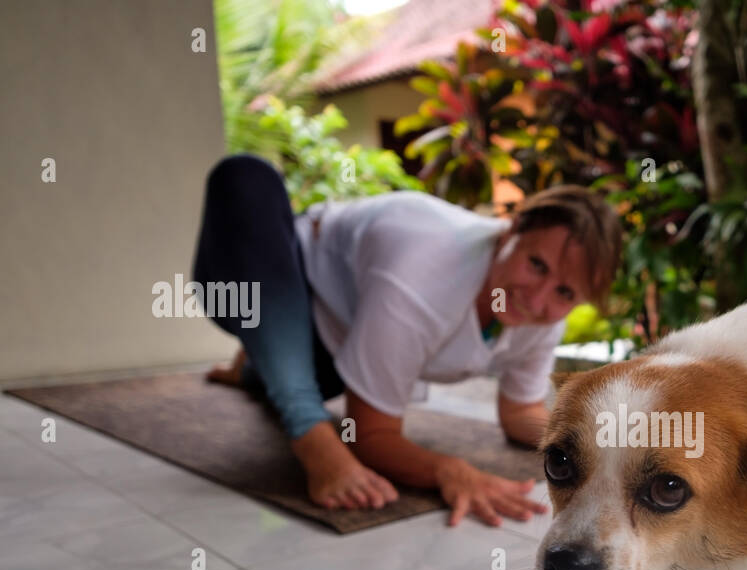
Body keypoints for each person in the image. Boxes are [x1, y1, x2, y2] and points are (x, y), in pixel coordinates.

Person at [192, 154, 622, 526]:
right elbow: (366, 430)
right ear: (509, 232)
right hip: (257, 277)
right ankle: (308, 430)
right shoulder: (426, 266)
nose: (539, 297)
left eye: (565, 293)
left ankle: (256, 368)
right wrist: (448, 470)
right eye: (536, 264)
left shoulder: (544, 319)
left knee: (296, 376)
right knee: (245, 176)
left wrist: (588, 446)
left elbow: (518, 411)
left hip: (330, 354)